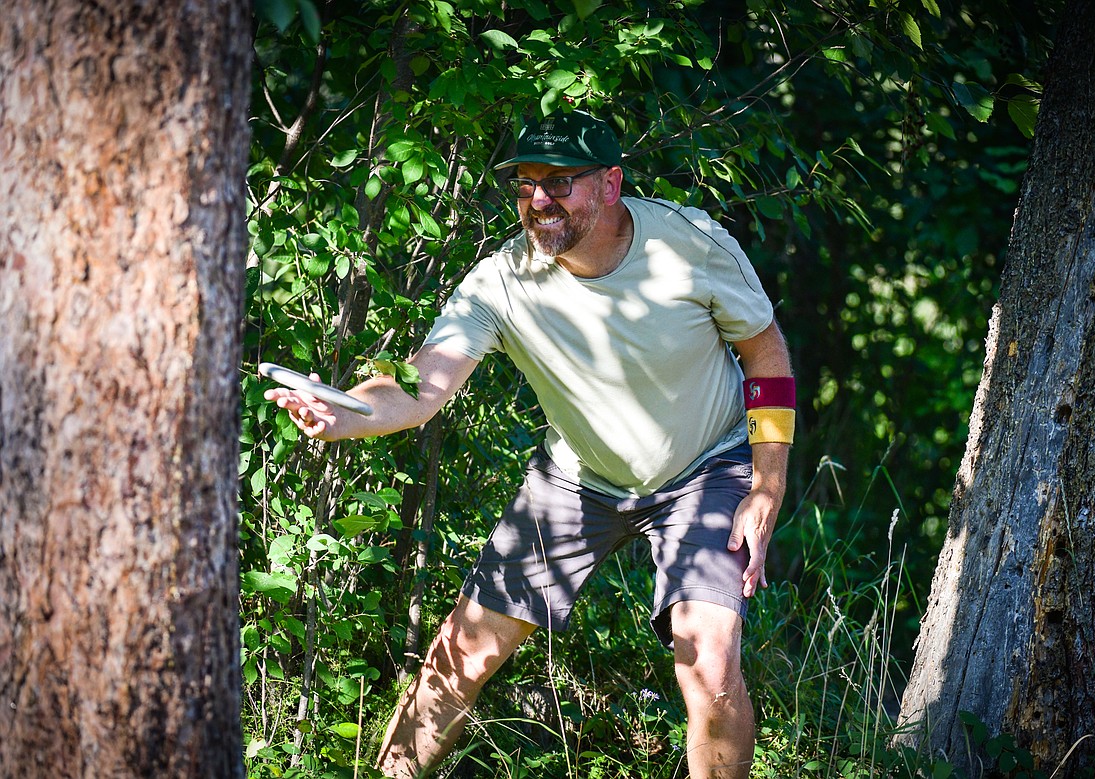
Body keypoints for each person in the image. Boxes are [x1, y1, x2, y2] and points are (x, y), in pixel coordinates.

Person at [265, 109, 795, 779]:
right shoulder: (501, 282)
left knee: (710, 665)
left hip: (705, 467)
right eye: (526, 184)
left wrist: (766, 483)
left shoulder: (689, 243)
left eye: (559, 182)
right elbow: (422, 384)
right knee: (458, 658)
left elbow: (764, 349)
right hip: (579, 477)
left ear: (610, 184)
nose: (539, 200)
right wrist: (341, 414)